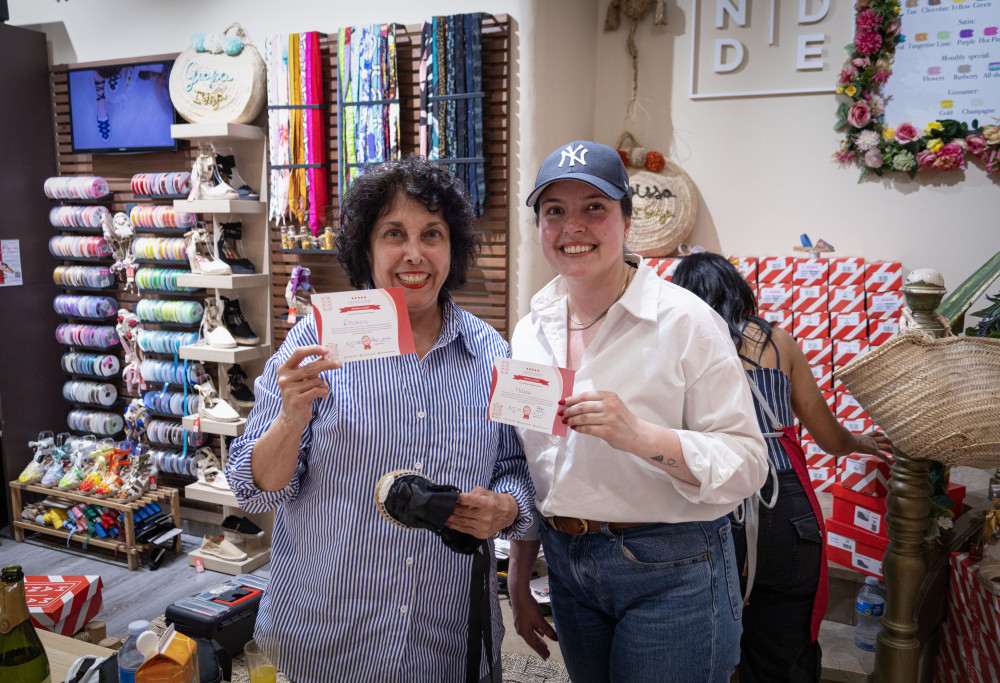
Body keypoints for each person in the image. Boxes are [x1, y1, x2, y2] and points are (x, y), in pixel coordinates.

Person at [226, 156, 535, 683]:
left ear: (452, 248)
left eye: (432, 234)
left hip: (446, 632)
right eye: (394, 233)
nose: (414, 254)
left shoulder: (490, 353)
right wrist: (290, 419)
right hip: (329, 632)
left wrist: (506, 508)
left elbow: (515, 467)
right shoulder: (315, 345)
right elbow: (255, 492)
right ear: (366, 249)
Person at [507, 141, 769, 683]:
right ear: (539, 227)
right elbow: (533, 463)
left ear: (627, 219)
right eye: (555, 211)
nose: (572, 226)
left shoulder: (685, 322)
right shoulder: (530, 328)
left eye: (594, 208)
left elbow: (748, 463)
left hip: (672, 566)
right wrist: (518, 570)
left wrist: (642, 436)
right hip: (566, 563)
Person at [672, 251, 892, 683]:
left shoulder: (680, 346)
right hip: (784, 502)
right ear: (739, 289)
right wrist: (862, 441)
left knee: (709, 638)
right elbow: (829, 438)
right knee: (784, 638)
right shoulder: (778, 342)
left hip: (713, 499)